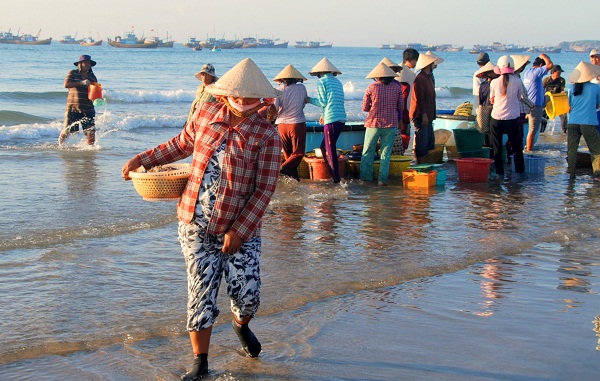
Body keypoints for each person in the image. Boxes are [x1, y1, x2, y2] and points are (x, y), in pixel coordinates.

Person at [121, 58, 282, 380]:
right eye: (237, 95)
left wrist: (240, 230)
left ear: (261, 99)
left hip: (241, 229)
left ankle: (241, 324)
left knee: (247, 295)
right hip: (194, 222)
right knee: (201, 292)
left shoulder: (267, 135)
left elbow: (264, 189)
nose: (242, 101)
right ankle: (200, 361)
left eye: (250, 97)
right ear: (225, 94)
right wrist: (142, 159)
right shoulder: (206, 114)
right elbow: (180, 144)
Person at [360, 62, 403, 185]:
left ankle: (366, 178)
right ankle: (382, 180)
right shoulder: (397, 88)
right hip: (391, 124)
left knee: (368, 152)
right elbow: (401, 106)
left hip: (374, 123)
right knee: (385, 153)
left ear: (377, 76)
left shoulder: (371, 87)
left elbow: (365, 107)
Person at [307, 57, 346, 183]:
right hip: (341, 118)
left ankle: (336, 180)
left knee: (329, 151)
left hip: (332, 119)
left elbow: (323, 102)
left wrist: (309, 100)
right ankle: (331, 175)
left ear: (319, 72)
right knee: (324, 148)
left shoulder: (322, 82)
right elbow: (333, 101)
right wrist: (324, 115)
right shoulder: (337, 82)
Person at [489, 55, 526, 179]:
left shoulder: (494, 82)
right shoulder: (517, 81)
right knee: (516, 147)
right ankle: (520, 172)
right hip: (512, 118)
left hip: (496, 118)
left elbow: (492, 100)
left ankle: (499, 173)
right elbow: (520, 97)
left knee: (497, 147)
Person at [565, 61, 600, 181]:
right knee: (596, 149)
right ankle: (597, 176)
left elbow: (569, 106)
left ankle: (571, 174)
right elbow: (598, 104)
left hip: (572, 122)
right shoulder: (596, 87)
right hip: (588, 122)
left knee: (572, 149)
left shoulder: (571, 88)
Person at [272, 64, 308, 180]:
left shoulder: (279, 90)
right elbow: (303, 104)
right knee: (298, 154)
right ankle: (280, 171)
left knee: (289, 156)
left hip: (282, 125)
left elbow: (275, 109)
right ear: (296, 79)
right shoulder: (302, 88)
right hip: (296, 124)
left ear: (282, 80)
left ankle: (295, 181)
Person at [59, 55, 98, 145]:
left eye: (89, 63)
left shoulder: (92, 77)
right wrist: (81, 82)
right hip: (73, 108)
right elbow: (66, 84)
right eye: (85, 63)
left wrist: (97, 95)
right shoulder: (72, 73)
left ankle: (90, 150)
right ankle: (60, 146)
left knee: (91, 132)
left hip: (88, 108)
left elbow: (95, 92)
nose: (87, 65)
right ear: (80, 64)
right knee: (67, 130)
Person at [409, 53, 437, 164]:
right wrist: (424, 115)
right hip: (420, 115)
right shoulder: (420, 79)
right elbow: (420, 99)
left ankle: (423, 164)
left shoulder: (428, 77)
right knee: (421, 143)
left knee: (427, 143)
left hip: (428, 114)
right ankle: (420, 164)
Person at [522, 53, 553, 151]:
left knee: (529, 129)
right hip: (535, 106)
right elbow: (550, 65)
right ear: (540, 65)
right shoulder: (536, 72)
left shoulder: (527, 72)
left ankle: (527, 147)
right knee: (532, 130)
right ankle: (529, 151)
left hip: (528, 104)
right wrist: (544, 56)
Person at [542, 65, 567, 133]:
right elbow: (541, 90)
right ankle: (541, 133)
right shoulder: (546, 80)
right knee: (544, 116)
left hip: (558, 99)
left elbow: (562, 89)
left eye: (560, 72)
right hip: (548, 100)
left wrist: (563, 92)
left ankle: (564, 132)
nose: (560, 74)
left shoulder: (561, 80)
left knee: (564, 116)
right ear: (553, 72)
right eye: (558, 72)